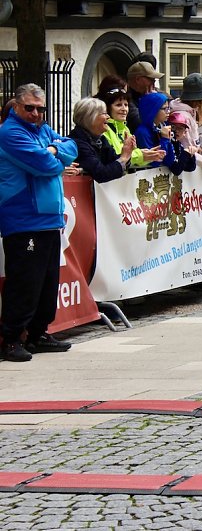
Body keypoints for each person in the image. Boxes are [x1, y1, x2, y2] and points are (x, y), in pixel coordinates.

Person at [0, 83, 77, 361]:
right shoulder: (9, 133)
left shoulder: (42, 130)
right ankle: (10, 339)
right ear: (17, 106)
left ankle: (37, 334)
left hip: (48, 218)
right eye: (29, 108)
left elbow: (71, 146)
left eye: (40, 109)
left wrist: (53, 151)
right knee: (25, 282)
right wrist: (55, 154)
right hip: (23, 217)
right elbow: (43, 165)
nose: (35, 113)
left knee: (46, 281)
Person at [95, 79, 165, 168]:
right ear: (108, 108)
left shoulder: (125, 128)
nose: (124, 109)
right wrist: (141, 155)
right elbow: (115, 157)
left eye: (126, 105)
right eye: (118, 105)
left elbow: (132, 159)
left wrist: (149, 156)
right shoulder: (103, 129)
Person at [69, 97, 133, 183]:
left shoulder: (101, 139)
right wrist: (124, 157)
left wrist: (127, 152)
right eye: (104, 113)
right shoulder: (77, 142)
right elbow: (101, 174)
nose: (108, 117)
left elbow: (114, 161)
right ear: (91, 117)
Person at [134, 91, 197, 174]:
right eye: (164, 109)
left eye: (169, 108)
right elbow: (155, 162)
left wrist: (189, 154)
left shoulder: (162, 127)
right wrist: (164, 139)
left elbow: (171, 161)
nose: (168, 112)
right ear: (153, 110)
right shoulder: (143, 132)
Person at [125, 61, 163, 134]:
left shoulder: (148, 94)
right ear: (138, 79)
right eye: (151, 79)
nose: (153, 83)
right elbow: (142, 121)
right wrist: (150, 101)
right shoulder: (125, 99)